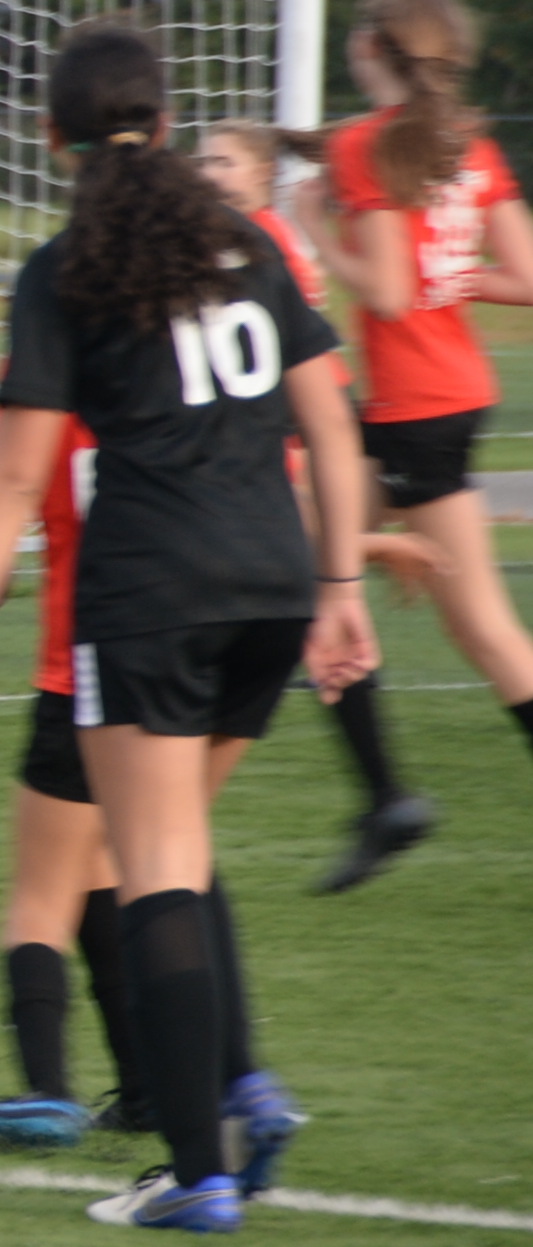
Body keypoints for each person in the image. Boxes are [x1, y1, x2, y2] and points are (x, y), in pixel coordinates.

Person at [0, 19, 374, 1234]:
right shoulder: (247, 243)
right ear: (163, 125)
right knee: (179, 846)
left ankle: (196, 1173)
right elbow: (330, 427)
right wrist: (338, 585)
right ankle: (243, 1085)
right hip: (271, 582)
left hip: (149, 592)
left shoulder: (63, 267)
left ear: (48, 136)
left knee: (149, 863)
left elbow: (16, 476)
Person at [200, 117, 431, 893]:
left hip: (279, 460)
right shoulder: (247, 243)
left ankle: (385, 796)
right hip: (277, 460)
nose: (208, 172)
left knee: (286, 618)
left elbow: (314, 378)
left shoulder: (258, 247)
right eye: (201, 160)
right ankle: (384, 796)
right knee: (309, 625)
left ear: (262, 175)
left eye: (224, 161)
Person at [321, 0, 533, 807]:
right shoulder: (467, 146)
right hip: (436, 399)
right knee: (311, 549)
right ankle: (381, 800)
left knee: (484, 629)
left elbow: (385, 293)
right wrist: (453, 274)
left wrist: (312, 234)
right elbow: (525, 276)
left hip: (418, 408)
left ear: (370, 47)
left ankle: (384, 799)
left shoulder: (367, 144)